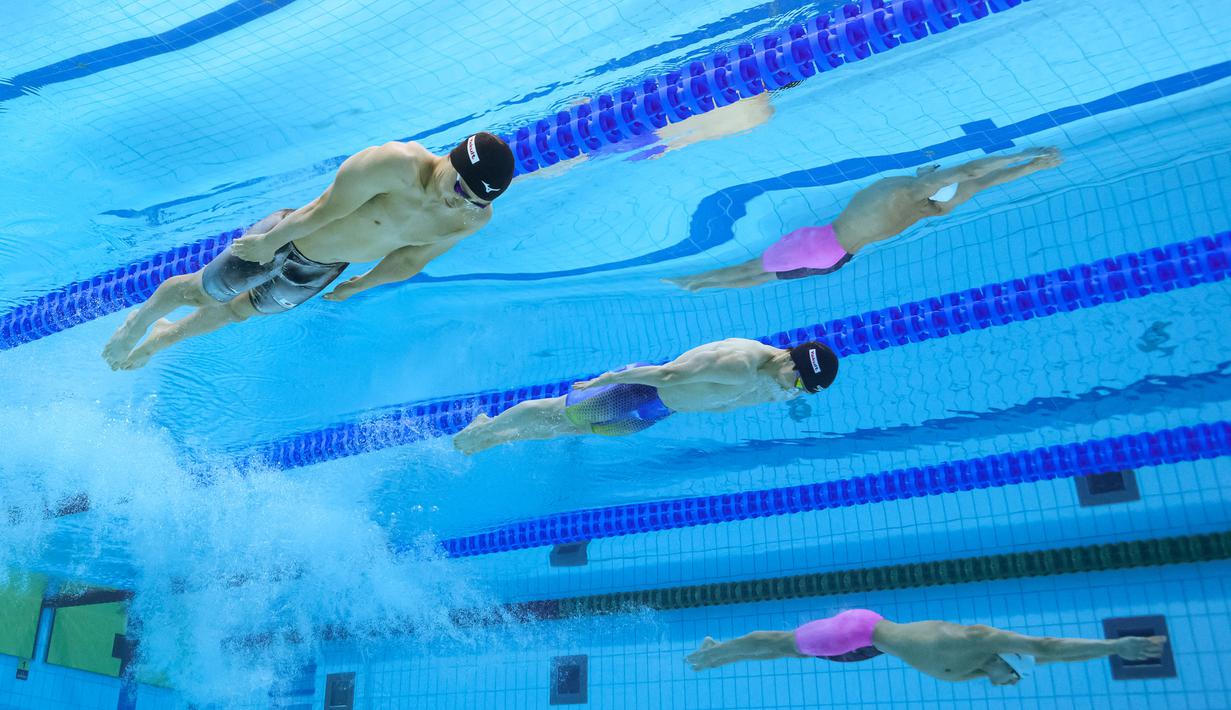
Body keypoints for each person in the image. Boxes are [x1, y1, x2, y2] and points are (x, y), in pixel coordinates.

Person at [101, 133, 515, 370]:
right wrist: (269, 241)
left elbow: (411, 258)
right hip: (291, 238)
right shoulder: (394, 165)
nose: (460, 205)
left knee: (236, 313)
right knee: (199, 292)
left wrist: (362, 284)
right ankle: (138, 323)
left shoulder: (472, 217)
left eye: (475, 202)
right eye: (461, 190)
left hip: (325, 267)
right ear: (453, 160)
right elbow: (323, 208)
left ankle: (161, 340)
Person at [665, 147, 1064, 291]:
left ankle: (694, 281)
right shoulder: (938, 206)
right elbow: (982, 182)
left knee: (750, 267)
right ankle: (700, 286)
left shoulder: (906, 190)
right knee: (764, 278)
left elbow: (972, 169)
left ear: (930, 181)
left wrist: (1024, 153)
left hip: (821, 245)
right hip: (836, 260)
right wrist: (1032, 167)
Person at [453, 338, 839, 455]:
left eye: (802, 390)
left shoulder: (773, 378)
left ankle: (492, 437)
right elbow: (668, 373)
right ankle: (486, 427)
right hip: (638, 391)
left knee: (565, 431)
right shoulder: (739, 363)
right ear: (792, 358)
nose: (794, 390)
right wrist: (604, 378)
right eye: (799, 382)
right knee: (556, 411)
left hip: (657, 411)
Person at [685, 609, 1168, 685]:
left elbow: (1043, 655)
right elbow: (1047, 645)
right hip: (860, 632)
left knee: (781, 649)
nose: (1004, 679)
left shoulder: (973, 672)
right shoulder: (978, 641)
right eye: (1009, 673)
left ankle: (713, 653)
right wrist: (1114, 645)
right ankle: (710, 654)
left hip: (869, 647)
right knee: (775, 643)